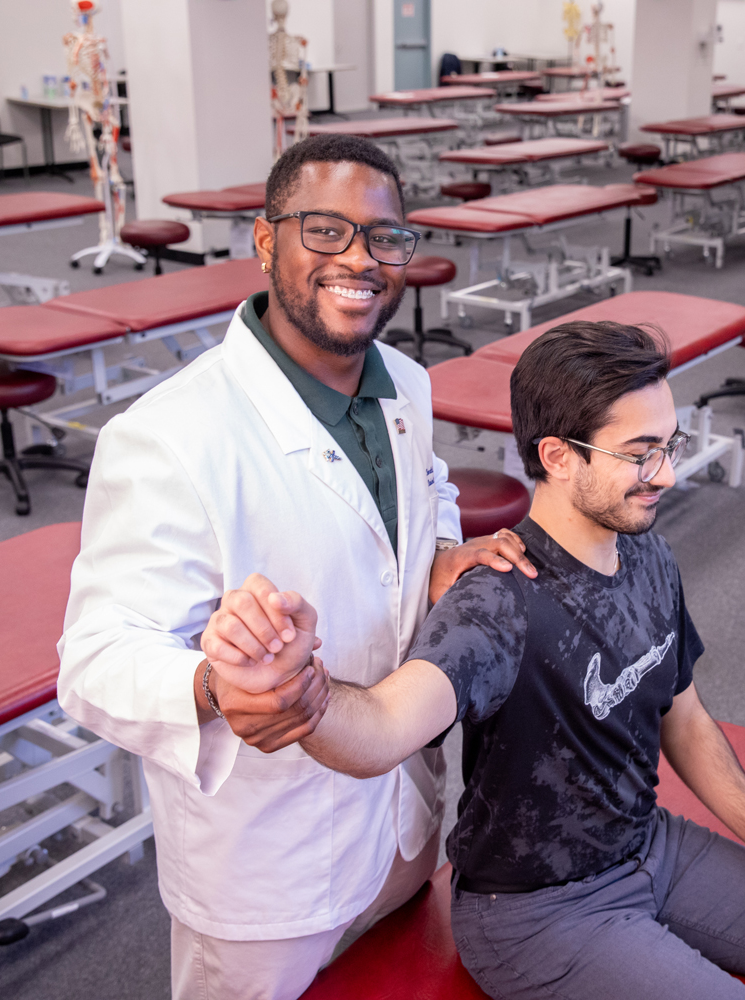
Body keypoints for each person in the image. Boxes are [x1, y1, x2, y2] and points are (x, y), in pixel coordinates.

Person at [204, 321, 745, 1000]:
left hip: (650, 847)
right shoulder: (500, 602)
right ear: (557, 456)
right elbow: (386, 726)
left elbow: (685, 720)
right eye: (639, 454)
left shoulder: (647, 552)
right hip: (537, 912)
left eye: (670, 444)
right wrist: (299, 688)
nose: (665, 474)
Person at [57, 134, 533, 1000]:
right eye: (325, 230)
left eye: (385, 237)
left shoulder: (406, 385)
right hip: (267, 867)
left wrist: (439, 556)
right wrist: (214, 684)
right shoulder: (169, 435)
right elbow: (92, 657)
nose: (360, 258)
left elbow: (427, 492)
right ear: (267, 241)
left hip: (404, 822)